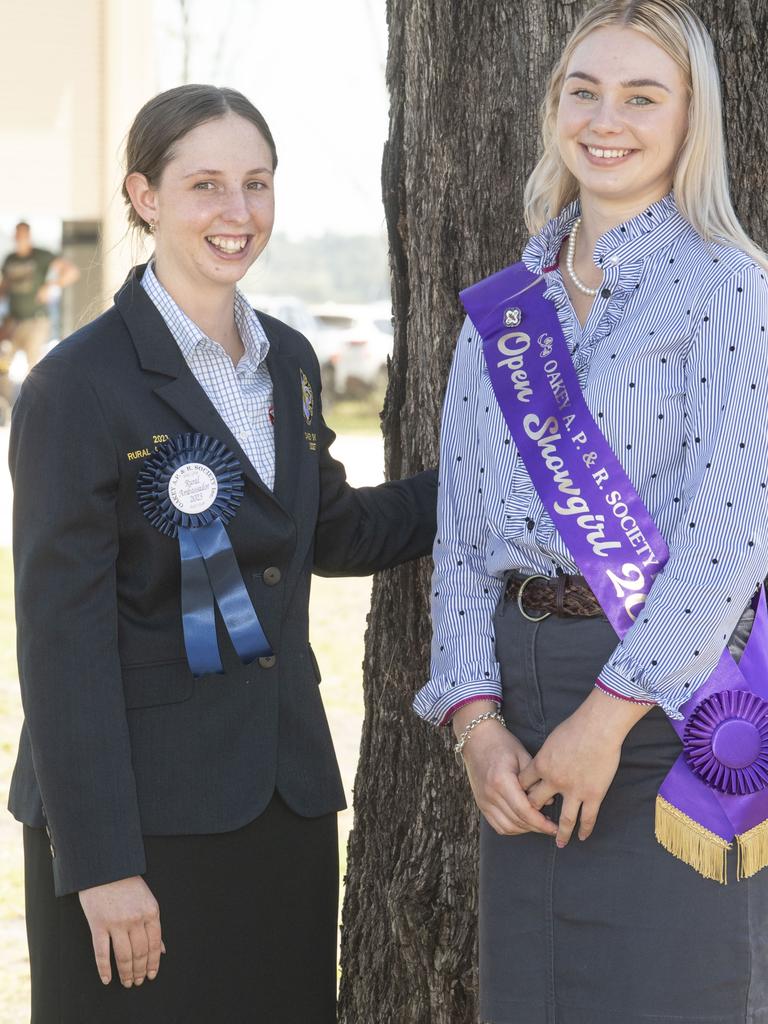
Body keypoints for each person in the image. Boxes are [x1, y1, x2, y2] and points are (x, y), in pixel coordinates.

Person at [9, 84, 437, 1024]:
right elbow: (59, 647)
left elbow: (330, 533)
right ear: (145, 195)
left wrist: (476, 487)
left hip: (282, 808)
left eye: (258, 183)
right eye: (205, 184)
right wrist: (105, 865)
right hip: (139, 827)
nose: (237, 213)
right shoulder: (73, 388)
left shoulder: (287, 359)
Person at [414, 1, 768, 1021]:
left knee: (674, 992)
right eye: (584, 91)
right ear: (554, 109)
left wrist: (607, 719)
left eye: (642, 95)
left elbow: (730, 539)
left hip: (668, 712)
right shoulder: (504, 308)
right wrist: (476, 723)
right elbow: (463, 538)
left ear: (690, 117)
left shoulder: (724, 289)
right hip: (520, 726)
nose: (606, 118)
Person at [0, 221, 80, 367]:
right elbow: (4, 287)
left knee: (33, 366)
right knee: (3, 362)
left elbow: (72, 272)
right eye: (17, 235)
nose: (20, 239)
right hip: (13, 321)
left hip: (36, 321)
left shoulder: (40, 256)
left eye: (23, 235)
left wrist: (51, 285)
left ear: (29, 236)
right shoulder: (10, 259)